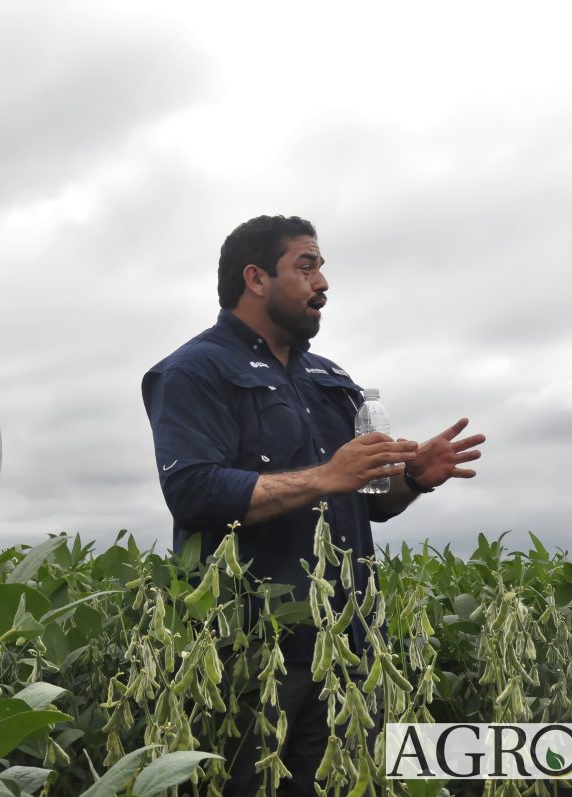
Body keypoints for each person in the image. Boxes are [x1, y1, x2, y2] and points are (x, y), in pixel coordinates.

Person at [141, 214, 484, 795]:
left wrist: (412, 478)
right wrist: (326, 476)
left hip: (350, 645)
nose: (322, 282)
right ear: (256, 278)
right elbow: (193, 492)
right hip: (253, 652)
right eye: (306, 267)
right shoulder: (192, 371)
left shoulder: (330, 376)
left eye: (321, 267)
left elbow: (371, 504)